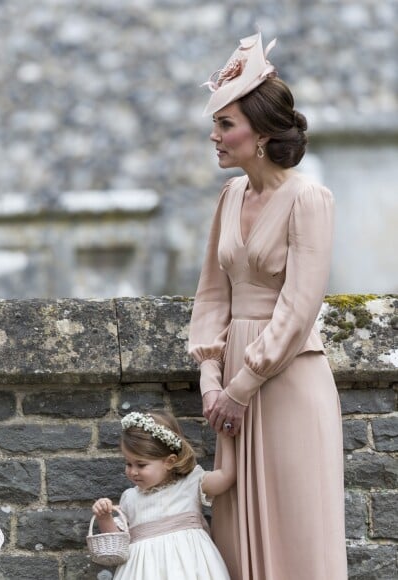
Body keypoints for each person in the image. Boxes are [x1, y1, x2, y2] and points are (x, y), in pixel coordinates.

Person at [188, 31, 347, 579]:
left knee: (300, 529)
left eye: (225, 125)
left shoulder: (309, 199)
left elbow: (300, 307)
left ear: (259, 136)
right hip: (231, 384)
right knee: (234, 535)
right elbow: (212, 294)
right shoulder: (230, 197)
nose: (214, 136)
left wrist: (241, 386)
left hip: (286, 383)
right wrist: (212, 378)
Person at [92, 411, 235, 580]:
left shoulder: (190, 484)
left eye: (141, 464)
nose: (133, 471)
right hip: (142, 571)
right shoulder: (130, 497)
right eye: (128, 463)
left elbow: (226, 476)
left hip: (189, 566)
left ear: (170, 461)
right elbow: (118, 544)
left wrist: (225, 436)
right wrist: (104, 517)